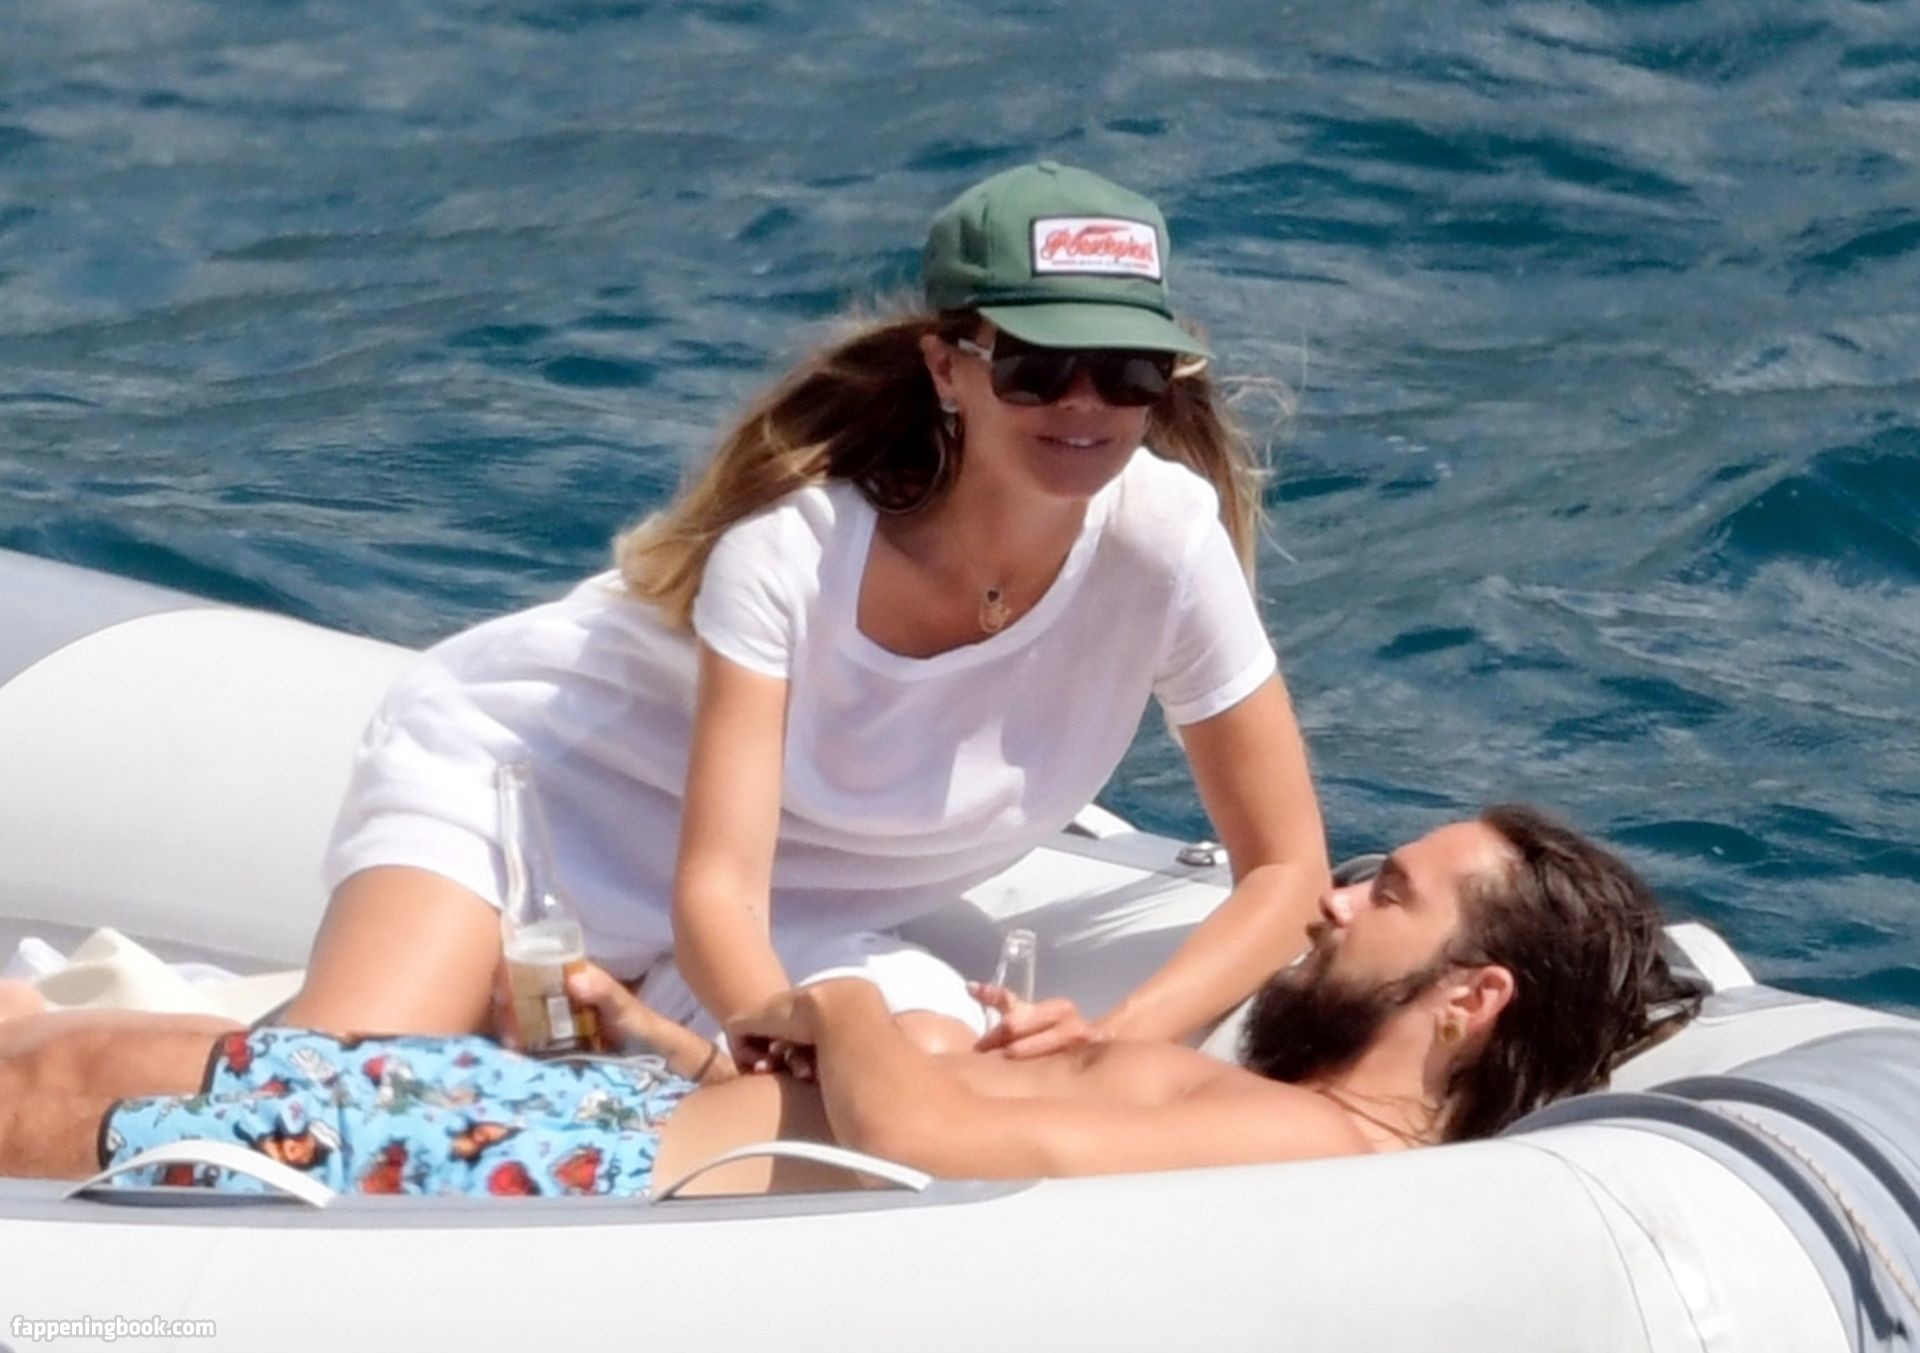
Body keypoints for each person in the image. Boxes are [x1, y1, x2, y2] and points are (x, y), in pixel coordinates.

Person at [282, 160, 1328, 1054]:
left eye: (1130, 370)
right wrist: (768, 1035)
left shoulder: (1166, 541)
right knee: (341, 1096)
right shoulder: (790, 553)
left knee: (926, 1069)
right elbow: (717, 892)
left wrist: (1116, 1038)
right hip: (537, 803)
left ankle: (615, 1027)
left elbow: (1286, 867)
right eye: (1037, 368)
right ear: (947, 368)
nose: (1086, 404)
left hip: (801, 908)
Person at [0, 807, 1700, 1196]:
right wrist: (677, 1043)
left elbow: (929, 1141)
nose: (1332, 899)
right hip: (624, 1122)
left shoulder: (1318, 1148)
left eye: (1387, 892)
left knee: (70, 1076)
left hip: (588, 1171)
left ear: (1469, 997)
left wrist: (843, 1005)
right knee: (71, 1053)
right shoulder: (1275, 1118)